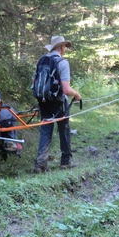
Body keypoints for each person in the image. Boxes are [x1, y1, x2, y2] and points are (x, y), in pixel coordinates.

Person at [33, 36, 81, 173]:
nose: (65, 49)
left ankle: (40, 164)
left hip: (43, 100)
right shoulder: (62, 63)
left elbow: (34, 83)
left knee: (46, 129)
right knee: (64, 128)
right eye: (65, 46)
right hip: (58, 101)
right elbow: (66, 89)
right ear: (61, 47)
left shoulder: (41, 60)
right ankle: (66, 161)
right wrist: (76, 94)